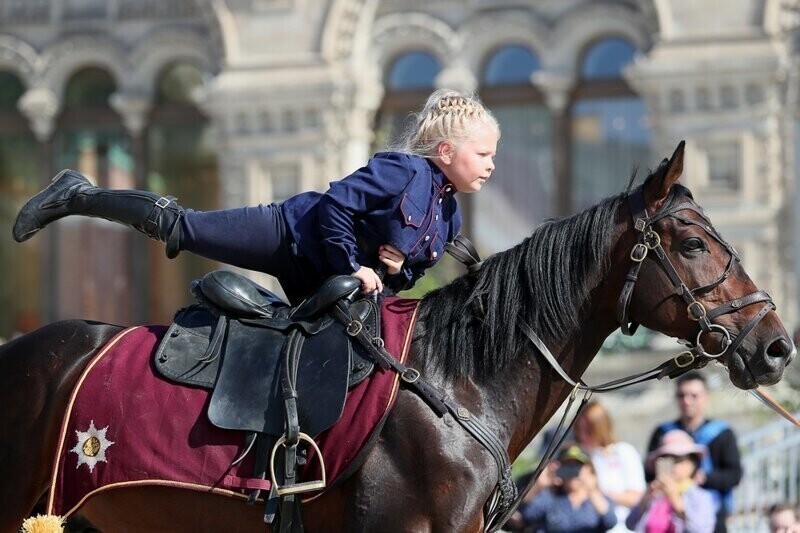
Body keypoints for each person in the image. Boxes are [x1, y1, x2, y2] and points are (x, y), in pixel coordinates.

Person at [12, 89, 499, 304]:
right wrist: (352, 264)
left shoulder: (450, 220)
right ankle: (78, 194)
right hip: (287, 233)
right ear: (445, 150)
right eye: (483, 154)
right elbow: (334, 207)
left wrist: (394, 272)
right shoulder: (401, 170)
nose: (491, 165)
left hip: (323, 285)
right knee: (183, 228)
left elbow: (402, 281)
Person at [645, 371, 742, 533]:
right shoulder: (663, 433)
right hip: (667, 516)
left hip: (711, 516)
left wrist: (703, 478)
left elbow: (734, 474)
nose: (687, 401)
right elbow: (648, 471)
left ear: (706, 397)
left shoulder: (722, 433)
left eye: (694, 395)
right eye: (681, 395)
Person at [574, 400, 646, 532]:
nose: (583, 436)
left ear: (601, 428)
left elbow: (636, 498)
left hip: (622, 526)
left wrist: (596, 493)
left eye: (588, 431)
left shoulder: (624, 452)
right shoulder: (580, 456)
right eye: (580, 430)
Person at [512, 444, 618, 532]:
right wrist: (538, 485)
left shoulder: (600, 500)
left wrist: (591, 489)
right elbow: (526, 515)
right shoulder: (550, 498)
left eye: (577, 466)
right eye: (567, 466)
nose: (572, 472)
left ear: (588, 470)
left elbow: (610, 521)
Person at [626, 429, 716, 533]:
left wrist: (676, 501)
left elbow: (702, 530)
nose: (671, 464)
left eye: (677, 459)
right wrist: (645, 501)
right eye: (665, 458)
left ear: (691, 463)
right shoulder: (655, 496)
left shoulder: (700, 497)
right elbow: (630, 524)